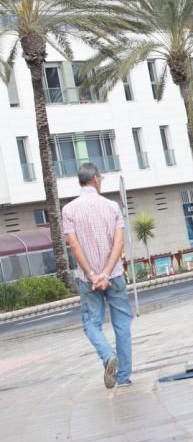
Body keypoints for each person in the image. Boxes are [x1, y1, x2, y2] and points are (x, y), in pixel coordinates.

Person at [62, 163, 133, 389]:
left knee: (91, 324)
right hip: (115, 275)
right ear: (94, 179)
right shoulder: (112, 207)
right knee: (122, 324)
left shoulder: (69, 210)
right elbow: (118, 243)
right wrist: (106, 272)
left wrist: (93, 274)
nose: (101, 181)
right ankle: (123, 377)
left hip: (88, 280)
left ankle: (107, 355)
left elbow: (73, 245)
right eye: (100, 178)